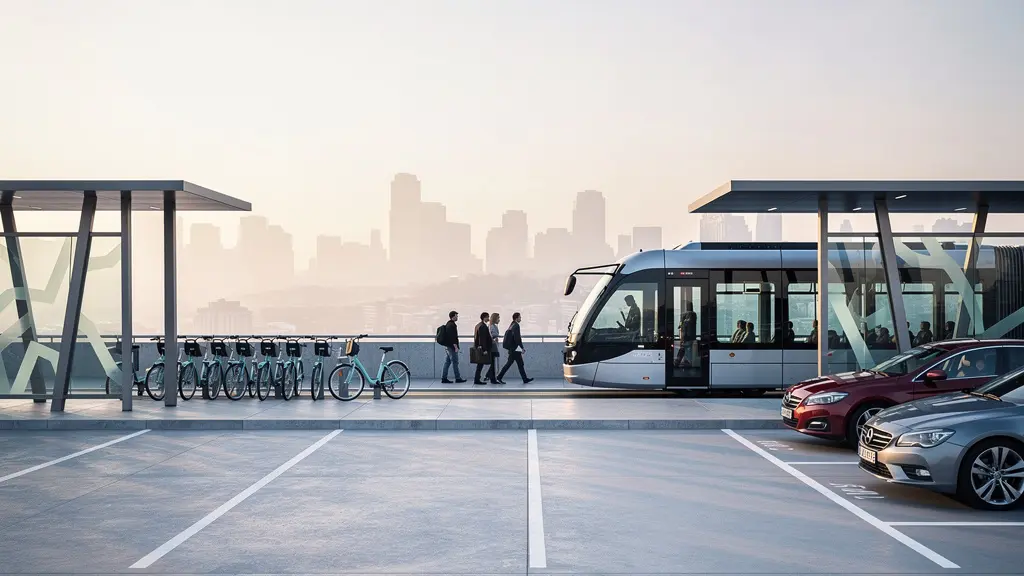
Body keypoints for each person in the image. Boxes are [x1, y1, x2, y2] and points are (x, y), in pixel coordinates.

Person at [498, 312, 533, 383]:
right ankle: (499, 376)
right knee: (512, 364)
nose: (521, 319)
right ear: (516, 318)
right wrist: (521, 348)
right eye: (520, 317)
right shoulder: (516, 325)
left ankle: (525, 379)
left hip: (512, 349)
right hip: (515, 349)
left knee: (518, 364)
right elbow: (517, 338)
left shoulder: (512, 324)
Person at [440, 310, 466, 384]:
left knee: (447, 362)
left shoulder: (448, 324)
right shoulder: (452, 325)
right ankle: (457, 378)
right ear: (453, 316)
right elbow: (452, 337)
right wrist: (455, 346)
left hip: (448, 346)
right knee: (455, 362)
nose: (457, 317)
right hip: (451, 347)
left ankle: (444, 378)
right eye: (456, 316)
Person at [674, 301, 697, 368]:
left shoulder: (683, 315)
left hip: (685, 336)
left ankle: (679, 362)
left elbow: (681, 325)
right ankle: (685, 362)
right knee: (687, 349)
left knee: (683, 349)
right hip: (692, 336)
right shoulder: (694, 315)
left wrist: (680, 328)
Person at [473, 311, 493, 385]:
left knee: (480, 365)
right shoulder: (483, 326)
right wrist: (484, 349)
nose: (489, 318)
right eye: (488, 317)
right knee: (480, 365)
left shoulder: (478, 325)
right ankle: (477, 380)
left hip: (478, 348)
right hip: (482, 349)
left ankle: (478, 379)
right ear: (484, 318)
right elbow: (482, 339)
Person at [487, 312, 503, 384]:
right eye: (498, 318)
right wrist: (495, 338)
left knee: (492, 363)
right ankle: (492, 378)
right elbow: (493, 335)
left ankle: (488, 376)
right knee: (493, 363)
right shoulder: (492, 326)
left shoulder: (492, 325)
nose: (499, 320)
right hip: (493, 346)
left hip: (493, 346)